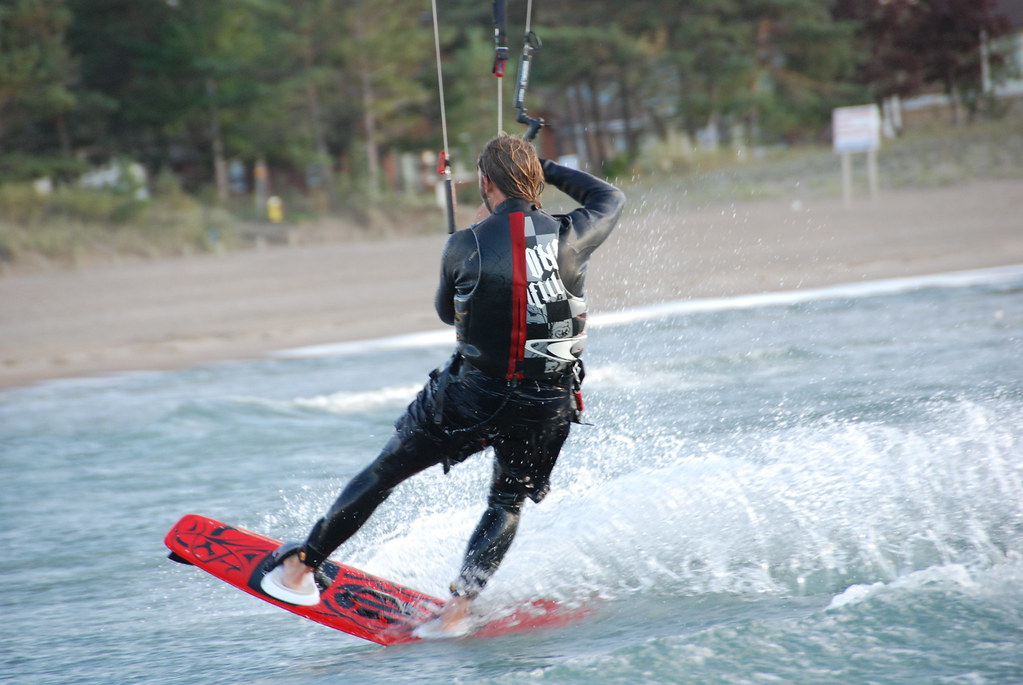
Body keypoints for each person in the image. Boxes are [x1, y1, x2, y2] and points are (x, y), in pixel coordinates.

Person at [260, 134, 625, 635]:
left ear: (484, 183)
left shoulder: (464, 243)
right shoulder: (573, 233)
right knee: (506, 502)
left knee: (384, 472)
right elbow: (611, 197)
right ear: (536, 180)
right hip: (547, 400)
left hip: (472, 397)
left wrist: (472, 250)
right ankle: (458, 608)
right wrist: (547, 166)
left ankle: (300, 566)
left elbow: (443, 311)